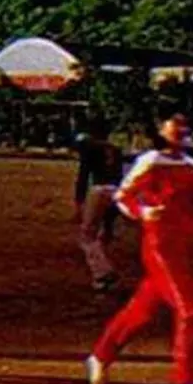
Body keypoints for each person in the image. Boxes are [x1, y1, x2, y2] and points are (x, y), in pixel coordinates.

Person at [85, 113, 193, 384]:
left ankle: (101, 355)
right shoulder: (150, 161)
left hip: (180, 246)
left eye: (183, 124)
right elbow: (123, 196)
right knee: (191, 311)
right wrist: (144, 212)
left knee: (141, 310)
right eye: (173, 124)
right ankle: (184, 382)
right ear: (160, 131)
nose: (179, 129)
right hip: (159, 247)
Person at [74, 115, 124, 294]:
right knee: (102, 233)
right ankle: (102, 277)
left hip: (98, 189)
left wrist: (79, 201)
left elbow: (83, 176)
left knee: (87, 236)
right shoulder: (115, 149)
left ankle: (102, 272)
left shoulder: (90, 147)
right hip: (116, 190)